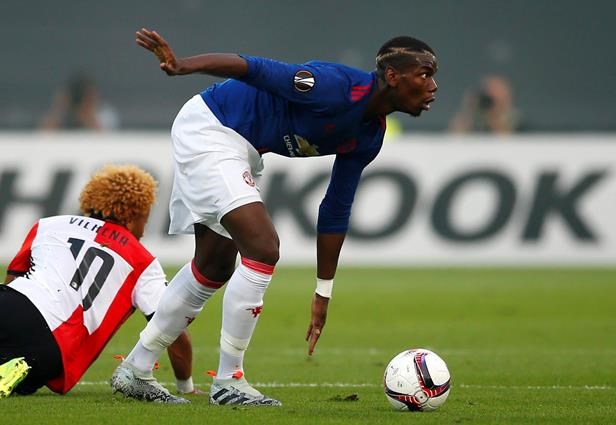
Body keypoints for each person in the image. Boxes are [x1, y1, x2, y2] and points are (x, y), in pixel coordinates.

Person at [111, 28, 438, 406]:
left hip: (242, 148)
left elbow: (335, 207)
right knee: (263, 247)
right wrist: (184, 65)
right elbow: (254, 68)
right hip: (212, 128)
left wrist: (323, 291)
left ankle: (136, 368)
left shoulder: (369, 135)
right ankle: (229, 381)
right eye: (425, 74)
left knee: (214, 266)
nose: (433, 86)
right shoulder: (334, 87)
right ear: (394, 77)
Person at [0, 164, 197, 402]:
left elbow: (12, 280)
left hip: (11, 304)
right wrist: (186, 385)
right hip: (51, 348)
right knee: (27, 366)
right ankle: (12, 367)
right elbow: (172, 328)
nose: (144, 230)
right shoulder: (143, 262)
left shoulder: (48, 225)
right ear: (136, 213)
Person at [40, 72, 120, 131]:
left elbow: (106, 139)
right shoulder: (64, 115)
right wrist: (59, 108)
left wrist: (87, 114)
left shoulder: (106, 113)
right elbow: (44, 135)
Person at [449, 74, 522, 134]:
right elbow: (452, 141)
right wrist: (468, 111)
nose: (489, 102)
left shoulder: (519, 124)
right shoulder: (474, 122)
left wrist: (496, 120)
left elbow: (508, 143)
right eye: (487, 94)